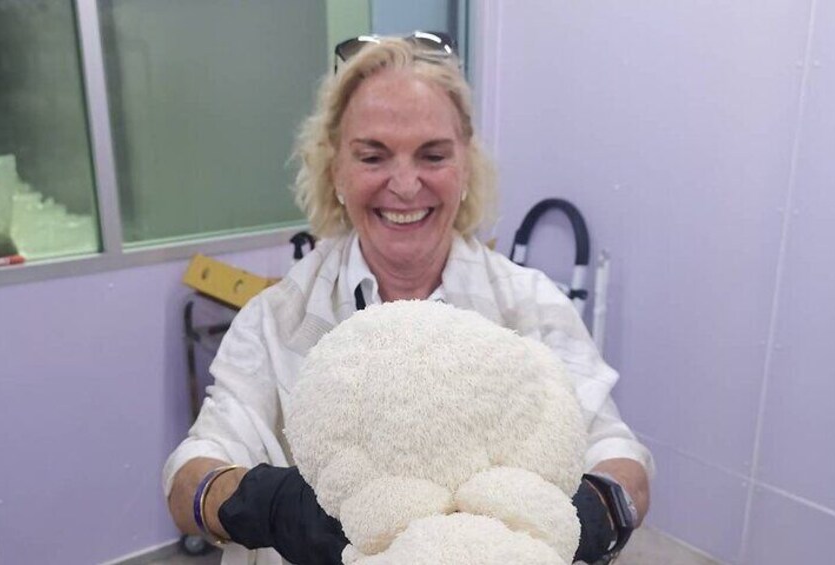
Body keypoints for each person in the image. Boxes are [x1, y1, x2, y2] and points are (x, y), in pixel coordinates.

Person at [164, 34, 654, 565]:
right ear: (336, 173)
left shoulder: (530, 306)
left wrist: (593, 510)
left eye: (433, 155)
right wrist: (269, 507)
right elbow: (189, 481)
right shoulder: (277, 321)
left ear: (465, 166)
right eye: (372, 156)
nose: (404, 185)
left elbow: (620, 457)